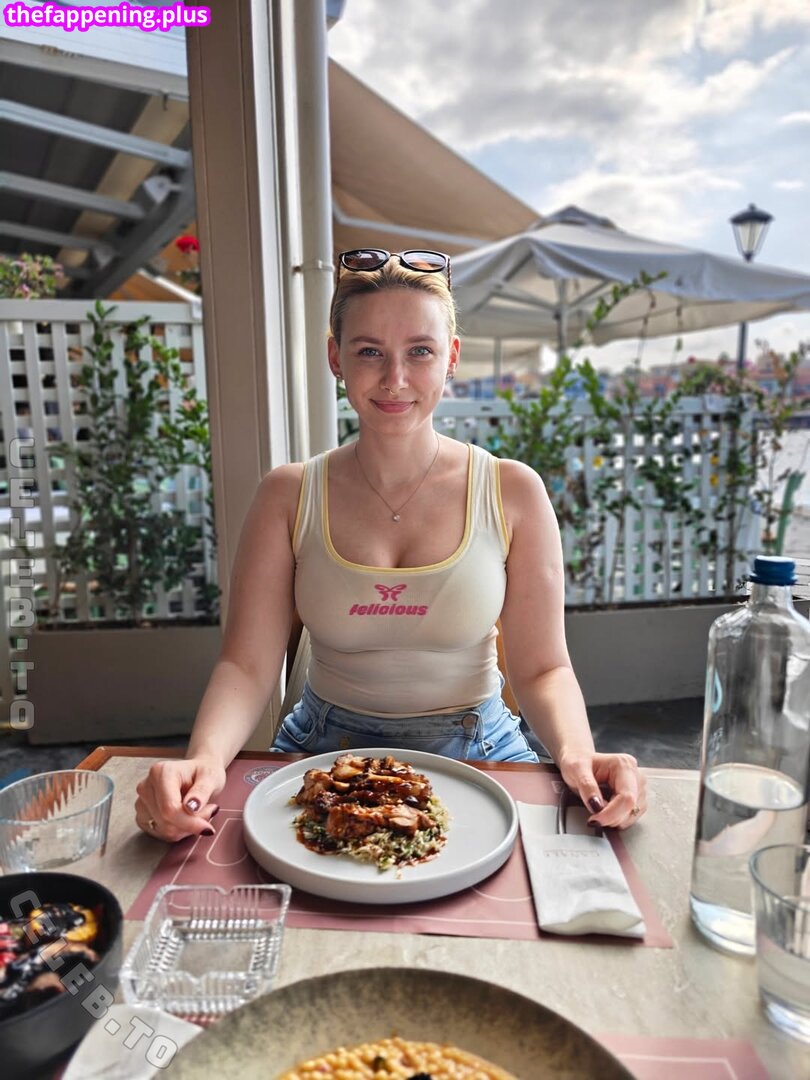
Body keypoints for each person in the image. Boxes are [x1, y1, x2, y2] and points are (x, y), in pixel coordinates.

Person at [135, 248, 647, 842]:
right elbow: (247, 665)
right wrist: (203, 760)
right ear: (336, 357)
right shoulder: (288, 494)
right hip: (322, 752)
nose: (395, 379)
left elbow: (543, 667)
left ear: (451, 357)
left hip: (481, 749)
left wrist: (579, 754)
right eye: (369, 351)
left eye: (420, 352)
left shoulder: (511, 490)